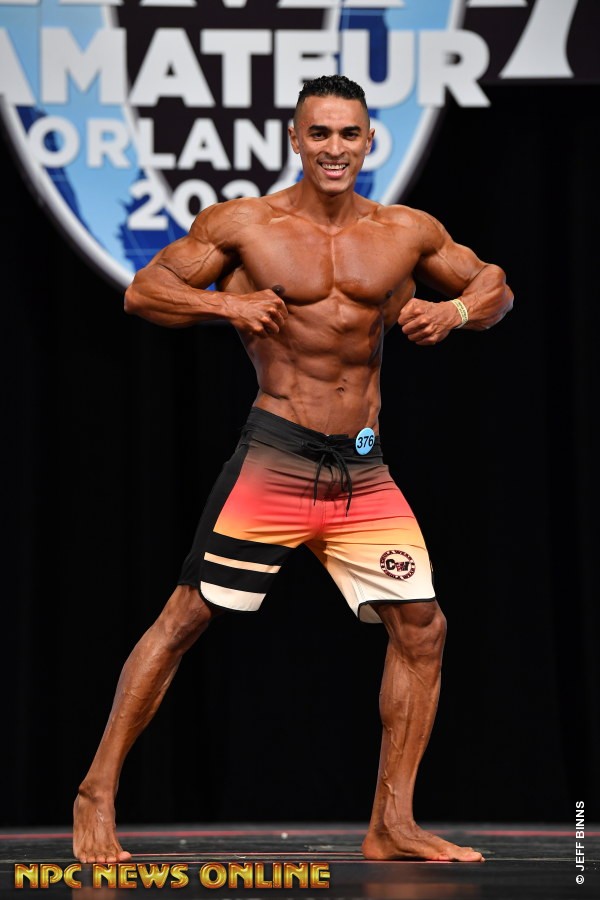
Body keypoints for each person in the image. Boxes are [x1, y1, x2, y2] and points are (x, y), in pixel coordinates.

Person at [73, 74, 513, 864]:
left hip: (361, 466)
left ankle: (392, 823)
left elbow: (496, 286)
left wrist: (453, 312)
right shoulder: (246, 224)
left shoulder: (406, 231)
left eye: (349, 134)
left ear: (370, 141)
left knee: (422, 627)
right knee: (186, 617)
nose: (334, 148)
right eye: (320, 133)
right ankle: (96, 791)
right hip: (278, 453)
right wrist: (227, 306)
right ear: (295, 139)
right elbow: (145, 291)